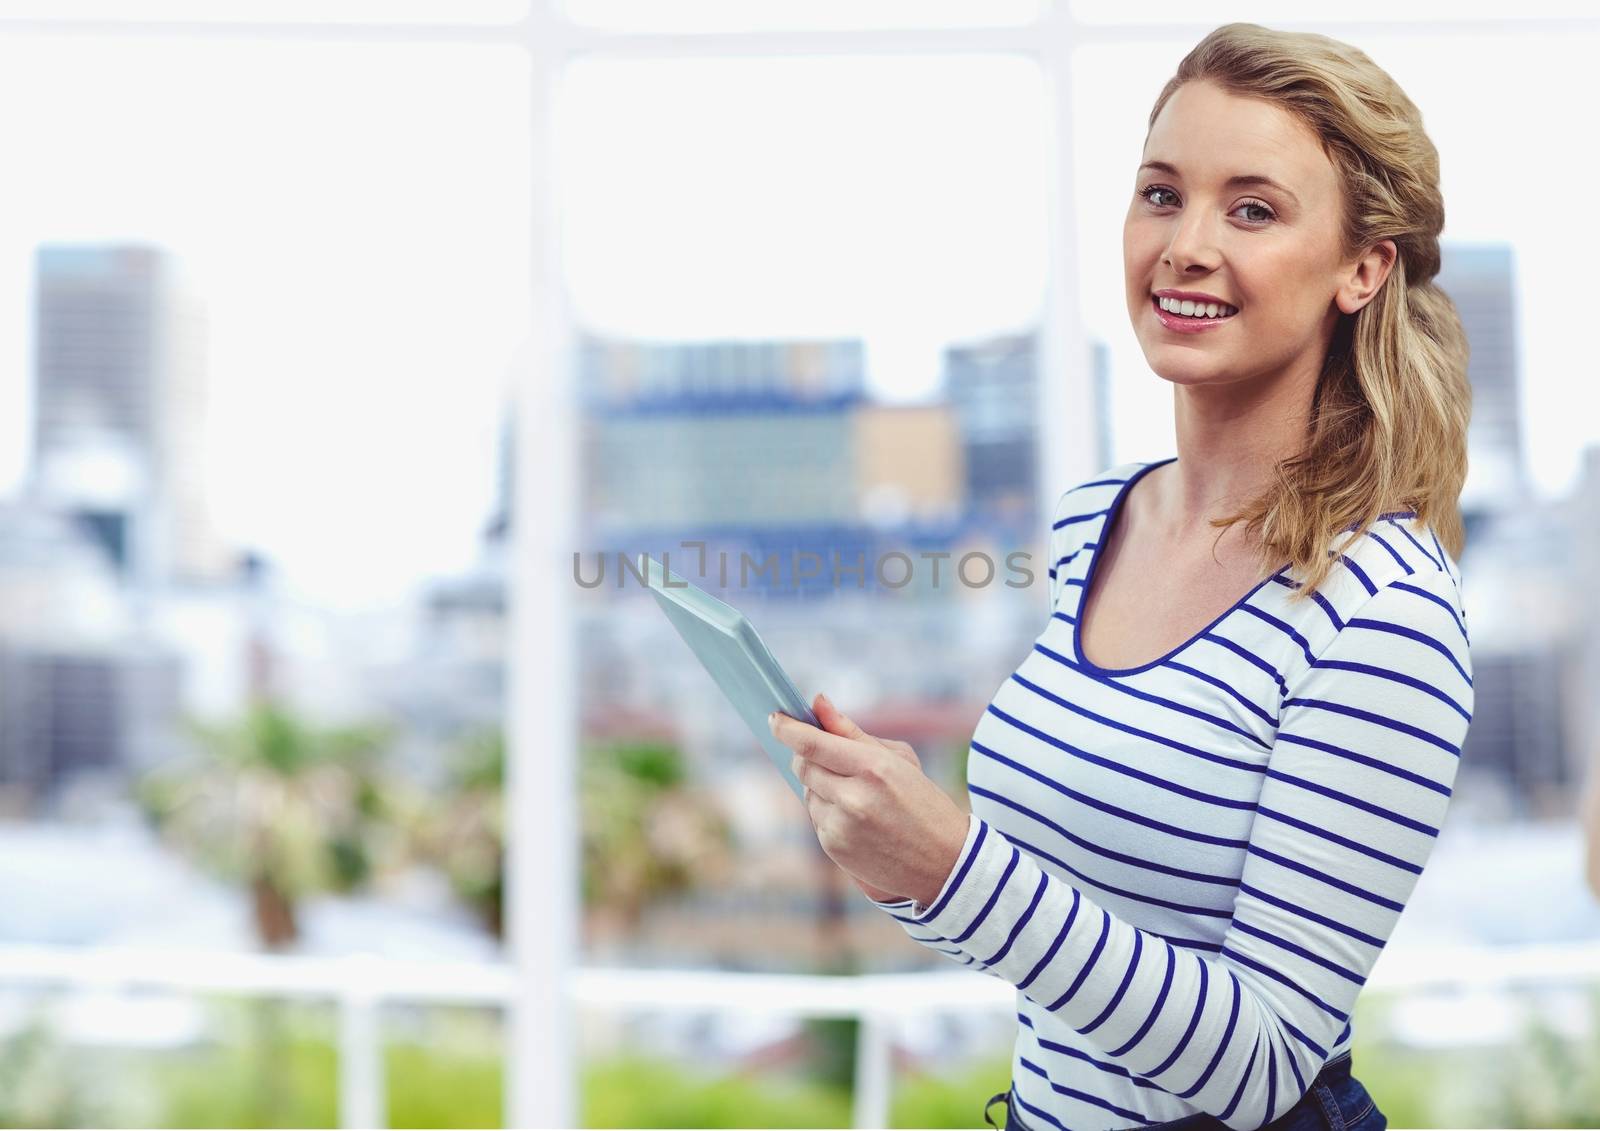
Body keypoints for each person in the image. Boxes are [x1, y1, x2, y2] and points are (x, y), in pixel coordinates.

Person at [770, 20, 1473, 1131]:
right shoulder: (1097, 517)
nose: (1186, 245)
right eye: (1160, 194)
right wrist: (899, 853)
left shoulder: (1382, 611)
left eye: (1252, 208)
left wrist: (955, 862)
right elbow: (1049, 941)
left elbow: (1264, 1065)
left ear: (1362, 267)